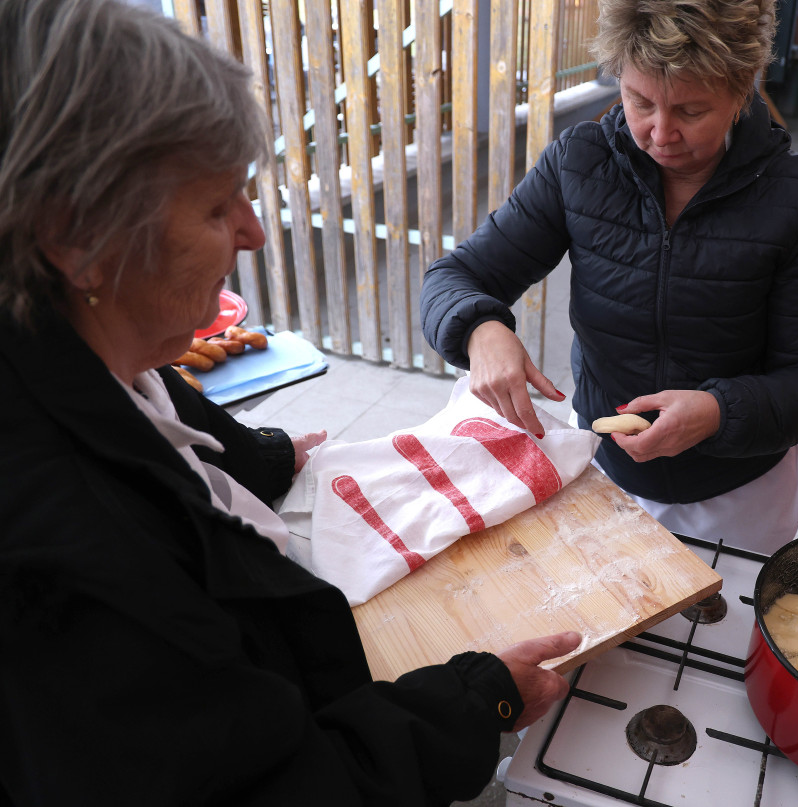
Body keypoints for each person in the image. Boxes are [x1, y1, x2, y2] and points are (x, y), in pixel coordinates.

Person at [0, 0, 579, 803]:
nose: (253, 232)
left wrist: (261, 456)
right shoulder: (80, 570)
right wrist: (476, 704)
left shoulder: (78, 348)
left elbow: (162, 422)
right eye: (215, 207)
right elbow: (274, 785)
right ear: (78, 240)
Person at [421, 0, 798, 554]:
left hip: (739, 494)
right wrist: (481, 329)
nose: (660, 132)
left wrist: (718, 413)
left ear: (743, 89)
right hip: (603, 471)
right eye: (640, 101)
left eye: (691, 110)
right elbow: (457, 275)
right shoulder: (579, 163)